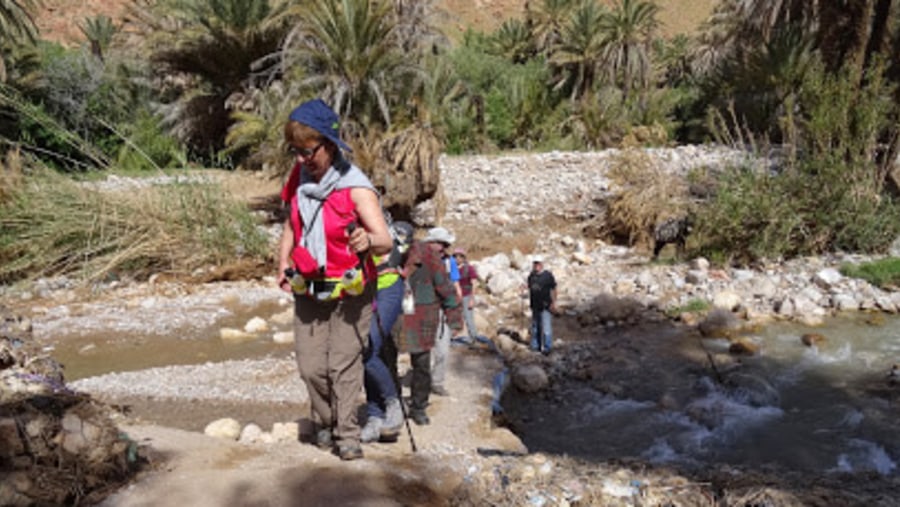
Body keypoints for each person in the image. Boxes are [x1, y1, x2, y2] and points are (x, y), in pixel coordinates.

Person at [277, 98, 392, 461]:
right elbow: (291, 225)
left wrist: (367, 240)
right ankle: (325, 421)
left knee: (342, 363)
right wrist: (282, 263)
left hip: (350, 288)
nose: (301, 160)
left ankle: (347, 434)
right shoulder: (298, 180)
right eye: (294, 151)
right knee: (311, 366)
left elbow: (385, 240)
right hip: (310, 283)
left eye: (308, 151)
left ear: (329, 145)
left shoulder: (356, 187)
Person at [399, 238, 464, 425]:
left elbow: (446, 289)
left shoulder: (429, 257)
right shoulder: (384, 254)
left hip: (421, 318)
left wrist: (454, 320)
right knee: (384, 363)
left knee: (421, 364)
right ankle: (389, 404)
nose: (442, 248)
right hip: (391, 316)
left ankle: (418, 406)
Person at [360, 220, 414, 443]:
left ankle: (392, 403)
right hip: (363, 290)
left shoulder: (391, 228)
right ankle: (375, 416)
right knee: (368, 353)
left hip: (388, 287)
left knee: (369, 345)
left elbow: (406, 251)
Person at [424, 227, 461, 397]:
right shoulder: (418, 260)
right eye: (440, 243)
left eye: (445, 244)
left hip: (442, 310)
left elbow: (455, 285)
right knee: (422, 351)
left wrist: (456, 312)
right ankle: (422, 382)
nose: (444, 248)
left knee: (443, 351)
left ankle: (437, 382)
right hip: (422, 311)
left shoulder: (449, 262)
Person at [527, 255, 557, 354]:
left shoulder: (548, 275)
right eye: (535, 263)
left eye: (538, 263)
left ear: (542, 264)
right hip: (535, 305)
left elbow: (554, 288)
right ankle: (535, 346)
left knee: (546, 328)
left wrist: (553, 302)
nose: (536, 265)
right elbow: (530, 286)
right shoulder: (531, 275)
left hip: (545, 305)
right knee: (535, 326)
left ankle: (548, 347)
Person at [453, 247, 481, 344]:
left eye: (460, 256)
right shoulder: (452, 268)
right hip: (454, 297)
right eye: (455, 256)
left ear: (464, 258)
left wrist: (472, 299)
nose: (457, 258)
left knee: (468, 318)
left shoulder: (469, 268)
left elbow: (474, 283)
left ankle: (474, 338)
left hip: (466, 296)